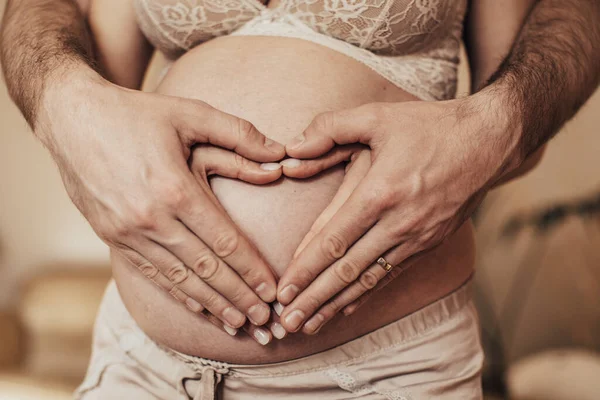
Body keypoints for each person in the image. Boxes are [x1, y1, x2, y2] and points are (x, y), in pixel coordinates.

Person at [1, 0, 598, 398]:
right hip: (143, 365)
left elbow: (540, 67)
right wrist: (67, 106)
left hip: (384, 371)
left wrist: (487, 131)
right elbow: (76, 45)